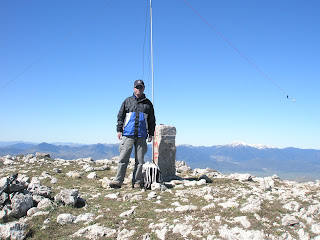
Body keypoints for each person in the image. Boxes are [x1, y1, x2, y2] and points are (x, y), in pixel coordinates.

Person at [109, 80, 156, 188]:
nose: (138, 89)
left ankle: (137, 182)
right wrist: (119, 130)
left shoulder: (148, 103)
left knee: (139, 161)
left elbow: (152, 120)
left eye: (141, 87)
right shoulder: (127, 101)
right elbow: (120, 116)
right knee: (123, 158)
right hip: (128, 134)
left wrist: (151, 133)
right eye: (137, 87)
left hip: (141, 135)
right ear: (134, 88)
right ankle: (118, 180)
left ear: (144, 88)